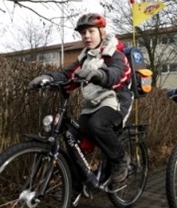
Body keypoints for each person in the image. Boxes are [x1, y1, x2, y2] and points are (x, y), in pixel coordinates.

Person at [28, 13, 133, 187]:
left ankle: (121, 159)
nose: (87, 36)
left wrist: (99, 74)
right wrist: (47, 77)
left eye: (91, 31)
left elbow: (118, 73)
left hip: (115, 101)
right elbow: (67, 75)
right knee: (72, 136)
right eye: (83, 33)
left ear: (101, 32)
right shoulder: (84, 57)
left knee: (97, 125)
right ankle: (78, 182)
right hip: (92, 105)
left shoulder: (115, 54)